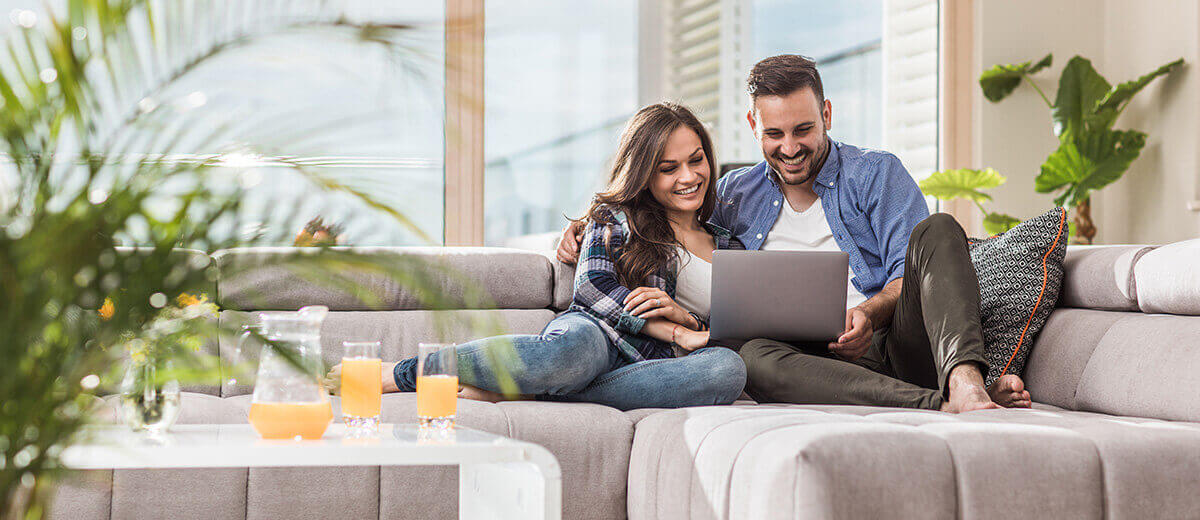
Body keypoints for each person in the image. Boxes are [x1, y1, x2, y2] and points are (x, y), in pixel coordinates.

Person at [558, 55, 1031, 413]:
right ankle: (937, 402)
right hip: (808, 365)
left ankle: (966, 384)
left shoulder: (876, 174)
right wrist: (591, 223)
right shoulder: (731, 194)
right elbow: (662, 208)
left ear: (826, 113)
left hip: (897, 344)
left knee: (940, 228)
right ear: (753, 126)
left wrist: (866, 313)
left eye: (803, 129)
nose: (789, 148)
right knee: (748, 357)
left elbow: (909, 278)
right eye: (773, 134)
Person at [329, 102, 746, 411]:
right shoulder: (615, 217)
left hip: (661, 369)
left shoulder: (729, 245)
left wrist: (688, 321)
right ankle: (404, 372)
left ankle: (526, 390)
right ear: (643, 173)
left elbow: (729, 327)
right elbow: (591, 287)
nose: (689, 177)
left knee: (727, 370)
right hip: (598, 334)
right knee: (572, 355)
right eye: (668, 168)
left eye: (696, 160)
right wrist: (668, 329)